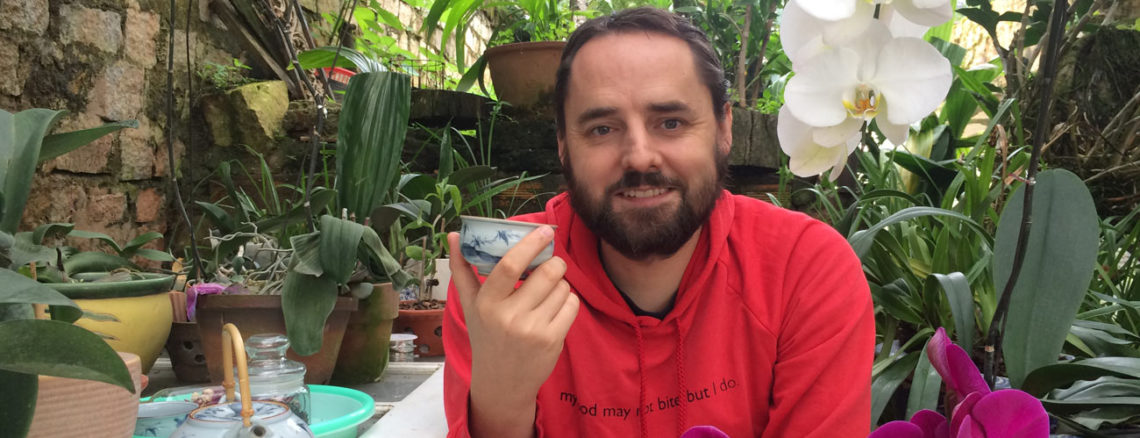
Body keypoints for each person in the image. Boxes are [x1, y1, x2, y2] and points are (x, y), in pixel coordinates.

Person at [442, 6, 874, 438]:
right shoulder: (505, 276)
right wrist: (501, 399)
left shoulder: (804, 270)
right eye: (602, 129)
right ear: (562, 145)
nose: (639, 156)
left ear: (724, 129)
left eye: (671, 122)